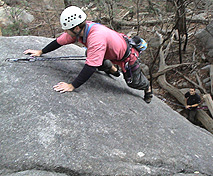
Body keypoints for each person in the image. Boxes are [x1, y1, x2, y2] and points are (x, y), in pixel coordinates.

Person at [24, 6, 153, 103]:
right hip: (112, 51)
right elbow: (59, 42)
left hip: (127, 57)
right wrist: (41, 52)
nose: (66, 33)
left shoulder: (95, 38)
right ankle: (112, 69)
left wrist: (72, 85)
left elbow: (90, 66)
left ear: (76, 28)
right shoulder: (83, 29)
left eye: (67, 30)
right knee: (90, 53)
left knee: (133, 83)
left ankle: (147, 88)